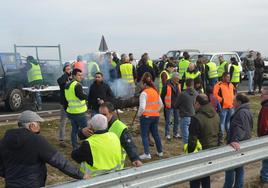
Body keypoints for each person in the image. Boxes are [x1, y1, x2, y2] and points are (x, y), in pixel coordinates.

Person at [0, 111, 86, 187]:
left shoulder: (4, 141)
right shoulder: (37, 140)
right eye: (38, 123)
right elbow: (59, 161)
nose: (39, 126)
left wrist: (10, 176)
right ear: (31, 125)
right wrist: (80, 175)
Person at [79, 102, 143, 167]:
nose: (101, 117)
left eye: (104, 114)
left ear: (111, 114)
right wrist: (82, 132)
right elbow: (83, 136)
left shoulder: (119, 127)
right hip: (98, 163)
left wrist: (135, 158)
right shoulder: (96, 123)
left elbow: (129, 145)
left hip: (114, 165)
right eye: (100, 114)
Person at [188, 94, 220, 188]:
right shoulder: (216, 114)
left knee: (195, 179)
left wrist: (190, 154)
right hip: (212, 150)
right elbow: (220, 133)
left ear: (197, 103)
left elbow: (192, 141)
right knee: (206, 177)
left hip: (199, 152)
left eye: (194, 104)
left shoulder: (196, 118)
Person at [223, 94, 253, 188]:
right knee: (240, 168)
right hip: (244, 142)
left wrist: (235, 140)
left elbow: (239, 127)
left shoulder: (240, 113)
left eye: (234, 100)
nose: (232, 102)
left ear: (239, 102)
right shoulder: (247, 111)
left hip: (237, 145)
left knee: (230, 168)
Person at [138, 73, 163, 160]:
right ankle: (160, 152)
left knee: (144, 135)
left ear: (144, 84)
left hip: (146, 117)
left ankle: (147, 153)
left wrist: (139, 114)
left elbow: (142, 107)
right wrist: (156, 111)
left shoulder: (144, 93)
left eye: (141, 84)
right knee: (156, 134)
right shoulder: (155, 91)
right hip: (155, 116)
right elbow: (161, 104)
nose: (140, 86)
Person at [65, 68, 88, 150]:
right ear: (74, 76)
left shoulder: (68, 84)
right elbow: (81, 96)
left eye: (81, 75)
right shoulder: (77, 85)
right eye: (79, 75)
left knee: (74, 130)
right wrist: (88, 96)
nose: (81, 77)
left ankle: (75, 146)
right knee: (86, 130)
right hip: (79, 112)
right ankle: (86, 147)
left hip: (71, 112)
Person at [176, 79, 198, 148]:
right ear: (193, 84)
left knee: (185, 135)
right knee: (193, 134)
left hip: (185, 116)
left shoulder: (182, 94)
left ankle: (188, 149)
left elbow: (176, 105)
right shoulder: (196, 93)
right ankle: (193, 147)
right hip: (194, 116)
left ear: (186, 85)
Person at [213, 72, 235, 144]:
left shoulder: (231, 85)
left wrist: (233, 101)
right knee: (222, 123)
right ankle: (221, 139)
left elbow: (234, 92)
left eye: (229, 77)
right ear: (223, 77)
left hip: (231, 107)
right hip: (223, 107)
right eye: (227, 77)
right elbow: (215, 95)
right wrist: (222, 100)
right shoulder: (218, 85)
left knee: (228, 123)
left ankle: (229, 137)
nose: (228, 78)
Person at [161, 72, 181, 140]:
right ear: (173, 78)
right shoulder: (167, 85)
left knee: (177, 120)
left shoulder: (178, 85)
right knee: (168, 121)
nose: (178, 80)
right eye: (177, 79)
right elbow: (162, 95)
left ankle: (176, 133)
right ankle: (167, 134)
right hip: (169, 105)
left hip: (177, 105)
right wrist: (164, 104)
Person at [57, 62, 72, 147]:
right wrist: (66, 74)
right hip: (64, 103)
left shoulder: (72, 78)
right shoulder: (63, 78)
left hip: (72, 104)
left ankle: (73, 138)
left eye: (70, 69)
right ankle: (62, 139)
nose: (69, 71)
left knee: (74, 122)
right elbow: (59, 81)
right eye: (67, 69)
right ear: (64, 71)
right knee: (63, 122)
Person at [258, 86, 268, 183]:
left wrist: (261, 136)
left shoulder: (266, 107)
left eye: (262, 94)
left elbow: (264, 124)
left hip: (266, 137)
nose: (261, 96)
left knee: (266, 158)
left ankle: (264, 178)